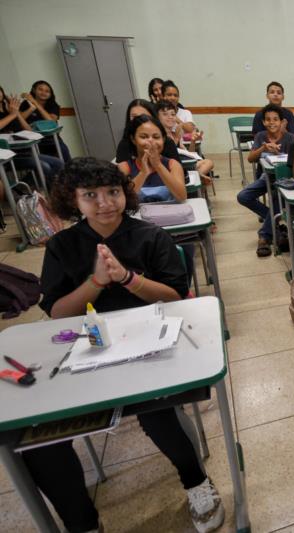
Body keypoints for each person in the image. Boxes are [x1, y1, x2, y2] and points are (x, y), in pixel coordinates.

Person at [26, 157, 225, 533]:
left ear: (125, 193)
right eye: (91, 196)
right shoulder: (63, 246)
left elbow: (175, 295)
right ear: (73, 200)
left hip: (147, 347)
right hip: (87, 350)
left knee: (159, 412)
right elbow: (58, 312)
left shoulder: (149, 236)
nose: (105, 203)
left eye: (113, 192)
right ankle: (83, 523)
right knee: (40, 440)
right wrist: (98, 281)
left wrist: (128, 278)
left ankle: (196, 482)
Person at [237, 104, 294, 257]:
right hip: (266, 177)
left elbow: (293, 165)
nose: (272, 122)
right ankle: (274, 221)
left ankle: (264, 236)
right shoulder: (260, 136)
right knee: (243, 196)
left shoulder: (289, 138)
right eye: (268, 120)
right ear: (263, 122)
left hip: (283, 180)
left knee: (275, 197)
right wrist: (263, 149)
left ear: (282, 122)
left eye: (275, 119)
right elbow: (250, 159)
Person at [0, 86, 64, 185]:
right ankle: (28, 189)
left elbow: (29, 130)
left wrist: (16, 113)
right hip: (8, 156)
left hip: (24, 151)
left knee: (58, 163)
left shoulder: (8, 109)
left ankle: (51, 193)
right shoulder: (10, 113)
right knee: (44, 166)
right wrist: (12, 115)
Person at [117, 115, 187, 203]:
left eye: (156, 137)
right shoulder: (124, 167)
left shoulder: (173, 165)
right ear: (133, 139)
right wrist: (143, 173)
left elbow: (182, 197)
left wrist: (158, 166)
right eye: (143, 137)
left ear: (163, 139)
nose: (151, 141)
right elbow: (123, 201)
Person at [156, 101, 215, 189]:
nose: (170, 117)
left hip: (184, 164)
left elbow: (189, 154)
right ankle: (196, 177)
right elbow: (169, 157)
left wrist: (193, 141)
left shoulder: (174, 133)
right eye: (165, 114)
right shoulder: (158, 136)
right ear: (156, 117)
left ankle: (197, 176)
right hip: (170, 168)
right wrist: (176, 139)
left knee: (208, 162)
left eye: (173, 114)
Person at [19, 80, 72, 161]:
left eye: (47, 91)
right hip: (34, 141)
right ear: (34, 90)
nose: (43, 92)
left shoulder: (53, 105)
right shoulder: (26, 104)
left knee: (65, 155)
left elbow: (51, 121)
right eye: (40, 89)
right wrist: (31, 108)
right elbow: (19, 119)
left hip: (52, 140)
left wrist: (35, 103)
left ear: (50, 94)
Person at [115, 99, 181, 163]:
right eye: (134, 117)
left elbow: (180, 172)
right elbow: (120, 173)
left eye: (144, 116)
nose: (139, 121)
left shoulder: (167, 143)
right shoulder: (124, 145)